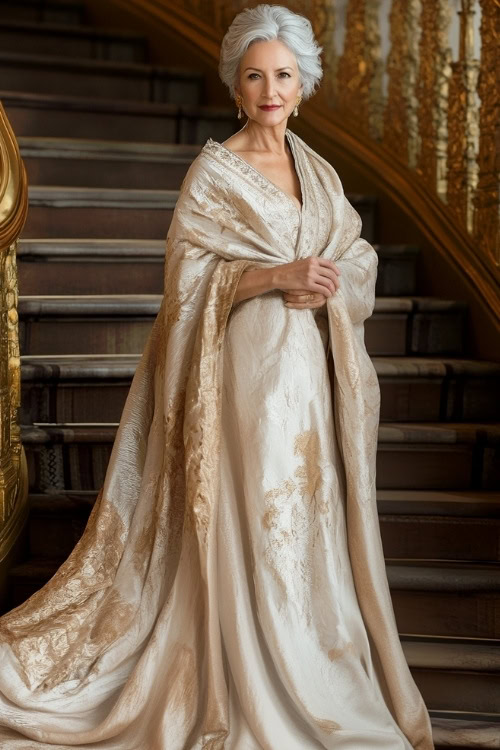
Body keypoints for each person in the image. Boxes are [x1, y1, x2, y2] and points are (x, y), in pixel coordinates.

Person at [0, 4, 435, 748]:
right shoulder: (213, 171)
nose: (271, 90)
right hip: (245, 379)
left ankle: (318, 669)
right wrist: (274, 275)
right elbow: (187, 285)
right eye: (256, 76)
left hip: (313, 380)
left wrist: (331, 280)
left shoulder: (320, 172)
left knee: (308, 521)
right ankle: (253, 671)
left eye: (284, 77)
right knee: (257, 518)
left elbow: (357, 253)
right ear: (236, 86)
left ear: (305, 87)